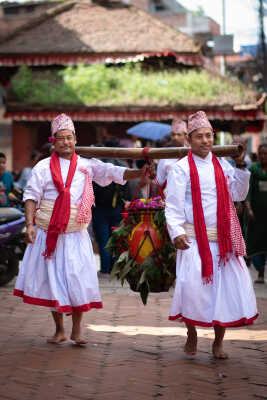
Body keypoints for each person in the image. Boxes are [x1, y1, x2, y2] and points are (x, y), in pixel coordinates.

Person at [14, 114, 147, 345]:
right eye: (61, 138)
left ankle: (77, 330)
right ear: (53, 141)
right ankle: (59, 330)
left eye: (70, 138)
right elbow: (30, 197)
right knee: (53, 281)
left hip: (76, 234)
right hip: (48, 234)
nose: (66, 142)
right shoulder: (42, 167)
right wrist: (29, 225)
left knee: (77, 280)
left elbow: (113, 173)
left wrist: (140, 173)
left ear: (75, 140)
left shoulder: (86, 165)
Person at [165, 111, 258, 359]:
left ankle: (218, 342)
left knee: (224, 291)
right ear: (189, 140)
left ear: (213, 138)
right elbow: (172, 206)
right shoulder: (180, 169)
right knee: (191, 289)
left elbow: (238, 194)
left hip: (223, 240)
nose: (205, 141)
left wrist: (240, 165)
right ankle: (192, 333)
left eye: (208, 136)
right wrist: (176, 233)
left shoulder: (222, 165)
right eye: (199, 137)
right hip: (193, 240)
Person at [92, 137, 131, 277]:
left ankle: (105, 270)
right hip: (117, 208)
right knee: (116, 238)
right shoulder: (121, 164)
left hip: (99, 209)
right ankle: (116, 269)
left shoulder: (99, 164)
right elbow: (127, 186)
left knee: (103, 239)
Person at [245, 143, 267, 284]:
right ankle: (260, 273)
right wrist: (248, 208)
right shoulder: (253, 169)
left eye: (266, 154)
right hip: (256, 214)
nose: (264, 156)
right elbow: (247, 191)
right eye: (261, 154)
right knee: (256, 242)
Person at [156, 119, 187, 187]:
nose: (175, 137)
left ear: (185, 136)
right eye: (173, 134)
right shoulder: (165, 156)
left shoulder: (191, 153)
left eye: (179, 134)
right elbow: (159, 181)